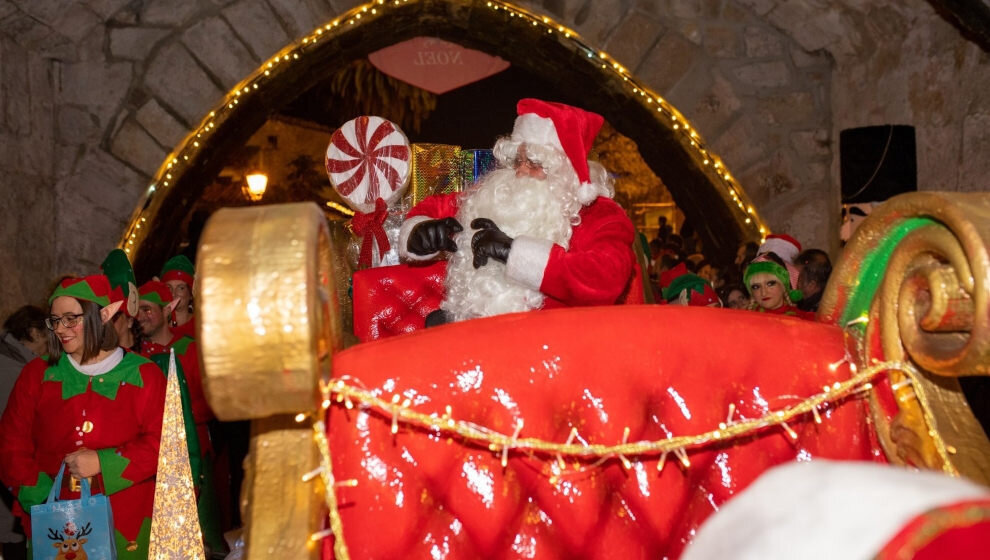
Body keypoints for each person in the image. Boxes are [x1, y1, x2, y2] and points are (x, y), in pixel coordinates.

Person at [398, 98, 636, 322]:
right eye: (517, 162)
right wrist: (420, 231)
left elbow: (606, 278)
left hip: (557, 338)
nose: (521, 172)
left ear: (566, 172)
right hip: (478, 330)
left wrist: (513, 252)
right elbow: (436, 206)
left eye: (534, 163)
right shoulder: (494, 197)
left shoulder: (600, 214)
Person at [0, 275, 165, 558]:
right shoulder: (36, 375)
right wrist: (40, 497)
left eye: (70, 319)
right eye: (54, 320)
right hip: (54, 522)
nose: (59, 329)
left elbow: (163, 444)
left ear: (104, 315)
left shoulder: (145, 375)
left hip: (126, 521)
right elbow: (11, 443)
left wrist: (104, 462)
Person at [743, 253, 814, 319]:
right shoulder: (745, 318)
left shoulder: (802, 319)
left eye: (770, 284)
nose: (763, 293)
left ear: (783, 286)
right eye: (756, 287)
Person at [160, 255, 196, 340]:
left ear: (191, 294)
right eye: (169, 287)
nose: (173, 294)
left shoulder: (201, 326)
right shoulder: (154, 326)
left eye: (181, 288)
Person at [795, 248, 832, 313]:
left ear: (811, 285)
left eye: (796, 278)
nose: (791, 280)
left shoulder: (816, 312)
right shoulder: (828, 297)